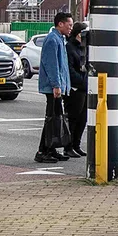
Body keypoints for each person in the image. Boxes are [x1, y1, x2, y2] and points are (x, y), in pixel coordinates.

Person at [35, 12, 73, 163]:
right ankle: (42, 151)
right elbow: (52, 65)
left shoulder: (59, 39)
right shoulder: (52, 40)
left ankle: (50, 149)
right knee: (51, 119)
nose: (71, 28)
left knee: (55, 118)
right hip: (53, 88)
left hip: (58, 86)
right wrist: (56, 85)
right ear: (60, 24)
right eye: (69, 25)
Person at [63, 22, 88, 158]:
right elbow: (70, 70)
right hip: (75, 89)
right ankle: (68, 146)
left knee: (82, 118)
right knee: (73, 118)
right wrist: (82, 81)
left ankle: (76, 145)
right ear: (80, 34)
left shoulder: (82, 48)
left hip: (84, 88)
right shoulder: (70, 48)